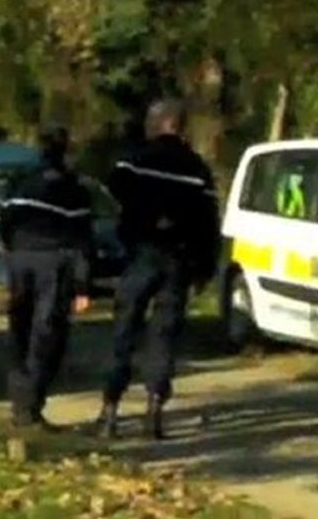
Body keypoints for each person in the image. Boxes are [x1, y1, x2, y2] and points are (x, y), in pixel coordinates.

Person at [96, 98, 220, 440]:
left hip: (142, 254)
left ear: (162, 123)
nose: (147, 127)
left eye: (151, 121)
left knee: (124, 333)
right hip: (178, 261)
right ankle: (154, 412)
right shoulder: (197, 170)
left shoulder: (134, 162)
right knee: (163, 337)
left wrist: (140, 220)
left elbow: (113, 191)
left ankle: (110, 411)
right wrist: (205, 267)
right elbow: (209, 222)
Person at [0, 125, 94, 430]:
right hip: (55, 264)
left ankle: (19, 403)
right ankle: (31, 406)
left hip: (20, 260)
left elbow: (4, 223)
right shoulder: (74, 190)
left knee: (19, 330)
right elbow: (82, 240)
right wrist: (82, 286)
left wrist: (12, 253)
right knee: (47, 335)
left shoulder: (18, 183)